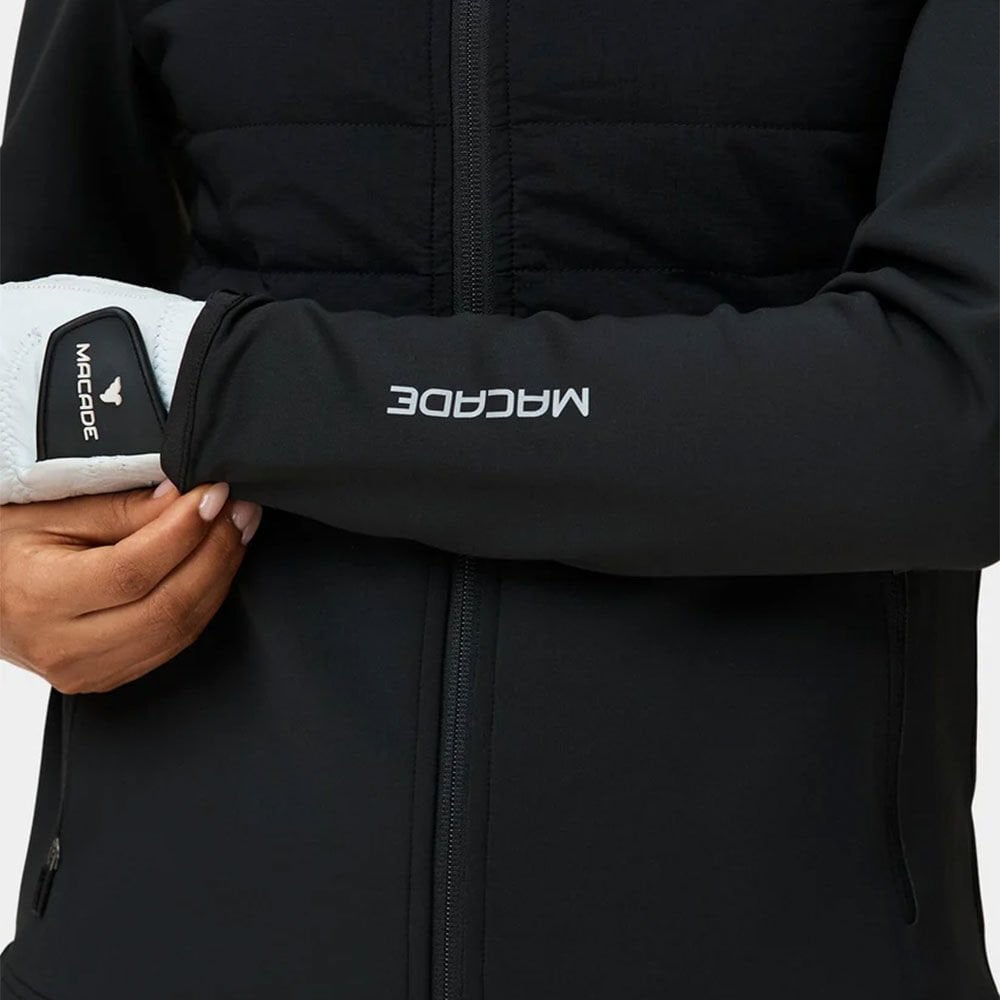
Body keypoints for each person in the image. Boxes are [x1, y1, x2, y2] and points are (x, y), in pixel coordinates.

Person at [0, 0, 997, 996]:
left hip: (779, 936)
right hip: (153, 936)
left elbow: (959, 411)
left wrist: (234, 384)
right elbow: (29, 336)